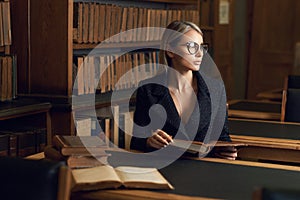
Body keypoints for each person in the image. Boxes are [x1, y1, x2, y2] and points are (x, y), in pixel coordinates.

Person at [130, 21, 237, 160]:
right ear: (170, 50)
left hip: (204, 170)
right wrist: (149, 142)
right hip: (165, 168)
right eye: (192, 46)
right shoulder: (147, 89)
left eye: (202, 47)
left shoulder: (216, 89)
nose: (200, 54)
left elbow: (222, 136)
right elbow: (136, 141)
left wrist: (228, 151)